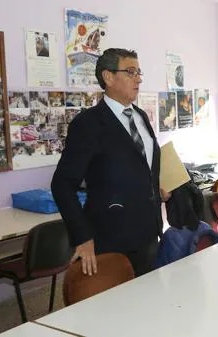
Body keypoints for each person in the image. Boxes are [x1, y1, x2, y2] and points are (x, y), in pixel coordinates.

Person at [52, 48, 167, 277]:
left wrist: (154, 188)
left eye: (139, 72)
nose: (139, 79)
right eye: (131, 72)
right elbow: (62, 184)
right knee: (114, 308)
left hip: (148, 232)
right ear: (108, 77)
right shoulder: (88, 124)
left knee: (148, 302)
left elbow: (139, 166)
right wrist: (82, 237)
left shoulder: (140, 116)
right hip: (110, 237)